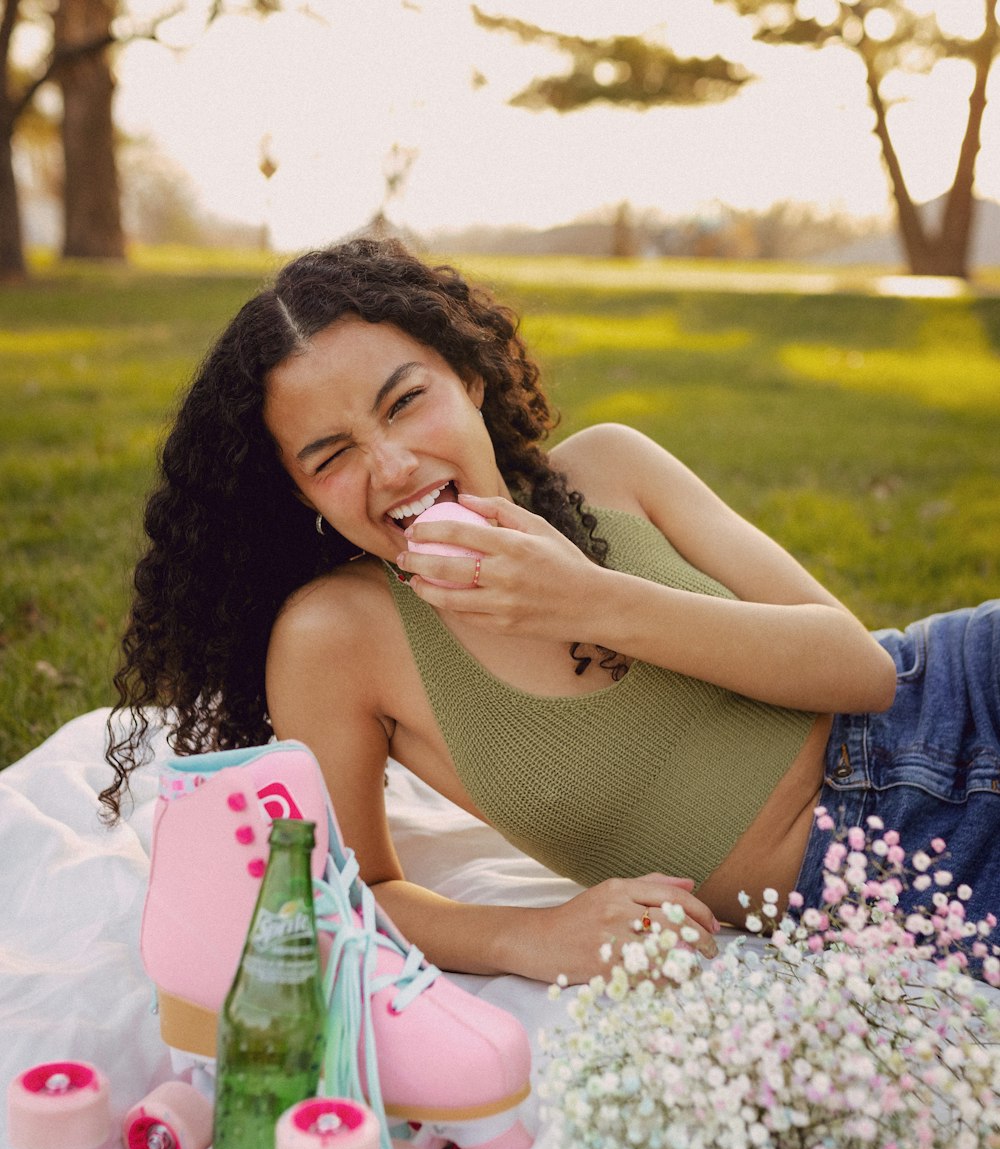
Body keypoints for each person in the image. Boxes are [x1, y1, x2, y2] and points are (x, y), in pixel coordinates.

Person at [102, 237, 999, 985]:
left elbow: (865, 669)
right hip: (890, 874)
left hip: (957, 692)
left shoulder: (611, 469)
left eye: (406, 401)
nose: (392, 466)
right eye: (331, 455)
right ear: (299, 495)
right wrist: (528, 937)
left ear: (471, 382)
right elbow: (344, 888)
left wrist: (588, 597)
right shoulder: (336, 638)